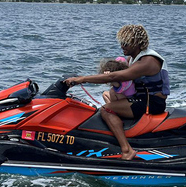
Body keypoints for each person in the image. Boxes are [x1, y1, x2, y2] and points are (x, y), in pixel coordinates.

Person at [64, 24, 170, 160]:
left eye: (126, 43)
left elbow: (115, 77)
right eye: (121, 42)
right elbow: (115, 72)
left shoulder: (148, 61)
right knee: (107, 95)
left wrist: (81, 79)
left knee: (106, 110)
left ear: (136, 43)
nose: (122, 46)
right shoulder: (133, 58)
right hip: (140, 99)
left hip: (152, 103)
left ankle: (127, 150)